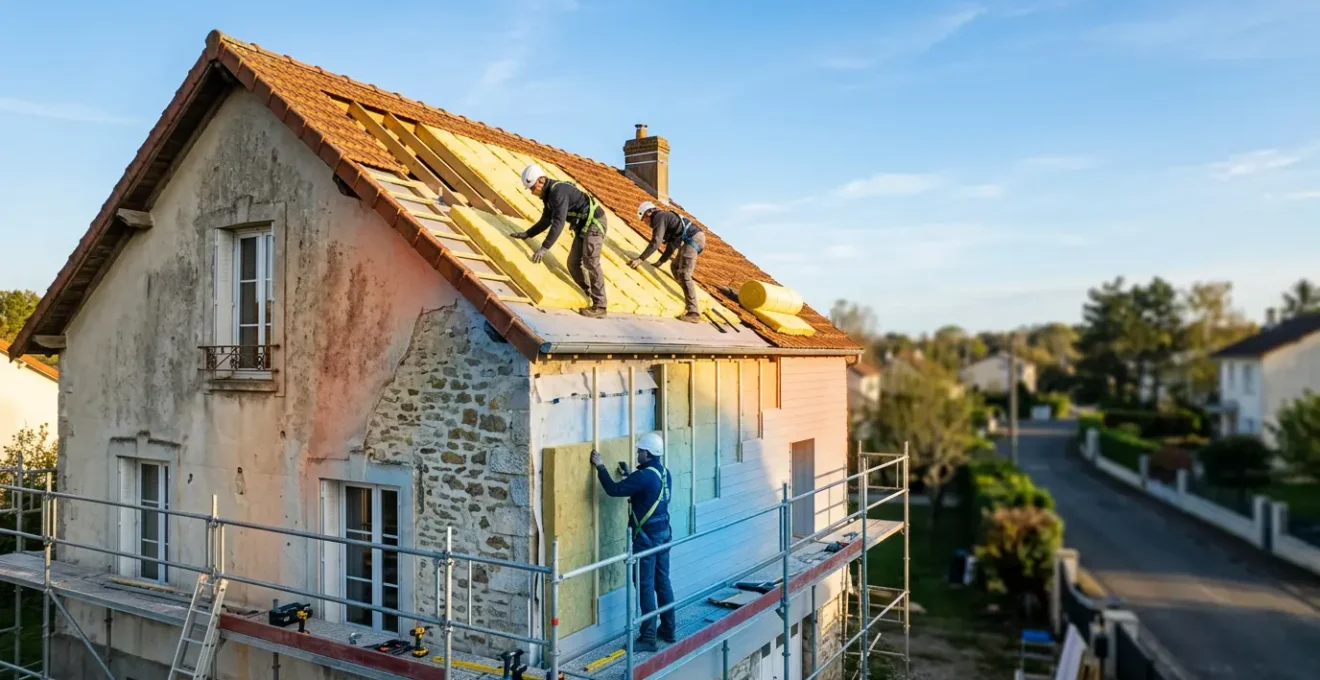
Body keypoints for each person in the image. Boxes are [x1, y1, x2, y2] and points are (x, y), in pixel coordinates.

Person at [590, 433, 676, 651]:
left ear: (648, 453)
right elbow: (648, 493)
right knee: (662, 582)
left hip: (647, 539)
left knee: (645, 584)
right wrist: (630, 475)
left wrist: (600, 466)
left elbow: (613, 490)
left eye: (640, 451)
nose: (637, 454)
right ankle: (668, 630)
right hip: (663, 535)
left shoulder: (644, 476)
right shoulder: (664, 473)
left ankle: (648, 638)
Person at [511, 164, 608, 318]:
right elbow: (546, 220)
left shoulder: (558, 192)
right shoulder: (548, 196)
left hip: (594, 223)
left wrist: (544, 248)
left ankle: (600, 306)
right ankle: (588, 292)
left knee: (590, 261)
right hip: (583, 226)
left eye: (533, 188)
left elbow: (559, 222)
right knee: (572, 263)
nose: (532, 192)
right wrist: (527, 234)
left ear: (541, 180)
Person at [627, 201, 705, 323]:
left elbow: (656, 242)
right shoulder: (668, 220)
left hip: (693, 239)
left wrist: (640, 259)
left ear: (649, 213)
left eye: (645, 220)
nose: (646, 223)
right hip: (692, 239)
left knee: (685, 274)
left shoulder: (659, 217)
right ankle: (687, 293)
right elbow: (672, 246)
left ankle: (693, 312)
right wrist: (660, 262)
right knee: (674, 266)